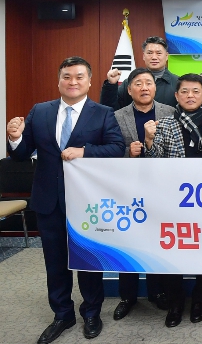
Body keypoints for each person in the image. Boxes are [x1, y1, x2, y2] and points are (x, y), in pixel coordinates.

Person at [6, 56, 125, 343]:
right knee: (55, 262)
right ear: (59, 81)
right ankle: (62, 314)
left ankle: (92, 312)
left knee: (87, 260)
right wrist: (15, 138)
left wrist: (85, 151)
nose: (73, 82)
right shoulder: (40, 111)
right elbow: (22, 154)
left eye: (79, 77)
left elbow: (117, 147)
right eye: (67, 76)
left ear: (89, 81)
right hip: (48, 200)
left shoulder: (103, 113)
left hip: (86, 202)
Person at [144, 73, 202, 328]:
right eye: (184, 91)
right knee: (172, 252)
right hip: (172, 200)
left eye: (196, 91)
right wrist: (149, 141)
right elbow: (153, 163)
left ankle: (200, 300)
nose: (190, 96)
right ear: (176, 95)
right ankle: (175, 303)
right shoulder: (164, 124)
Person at [111, 68, 175, 321]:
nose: (144, 87)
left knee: (157, 242)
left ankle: (157, 291)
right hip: (129, 189)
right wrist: (128, 152)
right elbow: (110, 148)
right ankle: (127, 296)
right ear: (129, 90)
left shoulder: (170, 112)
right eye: (138, 83)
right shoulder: (117, 116)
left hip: (161, 189)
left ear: (155, 88)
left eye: (149, 82)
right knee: (129, 242)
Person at [100, 36, 179, 109]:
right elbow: (109, 109)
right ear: (143, 56)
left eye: (159, 53)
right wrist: (111, 85)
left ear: (166, 56)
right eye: (149, 53)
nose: (154, 57)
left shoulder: (177, 83)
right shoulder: (130, 82)